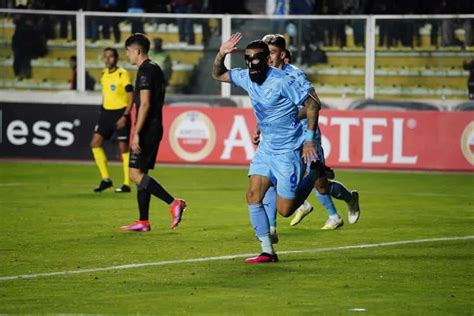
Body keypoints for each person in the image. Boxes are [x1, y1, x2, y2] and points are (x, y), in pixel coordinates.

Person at [212, 33, 321, 263]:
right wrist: (222, 53)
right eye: (248, 58)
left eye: (256, 58)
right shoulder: (245, 77)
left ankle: (315, 175)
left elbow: (312, 103)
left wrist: (309, 139)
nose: (251, 63)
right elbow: (218, 74)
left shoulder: (282, 80)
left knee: (285, 210)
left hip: (288, 151)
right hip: (266, 150)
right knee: (253, 195)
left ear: (264, 60)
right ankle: (267, 251)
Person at [262, 34, 360, 231]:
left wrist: (288, 119)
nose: (268, 57)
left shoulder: (295, 76)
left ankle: (350, 198)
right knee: (268, 178)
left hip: (306, 135)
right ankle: (270, 230)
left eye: (271, 53)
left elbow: (312, 105)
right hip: (283, 138)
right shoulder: (265, 76)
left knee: (322, 186)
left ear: (282, 54)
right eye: (266, 53)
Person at [120, 33, 186, 232]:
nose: (127, 56)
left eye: (128, 51)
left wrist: (137, 132)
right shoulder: (154, 68)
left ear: (137, 51)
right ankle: (143, 221)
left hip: (148, 127)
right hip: (155, 125)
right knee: (142, 174)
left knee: (134, 174)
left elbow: (145, 103)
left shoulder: (145, 70)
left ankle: (174, 203)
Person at [91, 48, 133, 193]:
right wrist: (102, 110)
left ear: (116, 58)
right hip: (106, 113)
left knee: (123, 148)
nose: (107, 59)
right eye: (105, 57)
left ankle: (127, 183)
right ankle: (106, 179)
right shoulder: (103, 74)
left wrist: (125, 116)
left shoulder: (123, 74)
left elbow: (130, 96)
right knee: (95, 143)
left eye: (110, 57)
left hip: (120, 112)